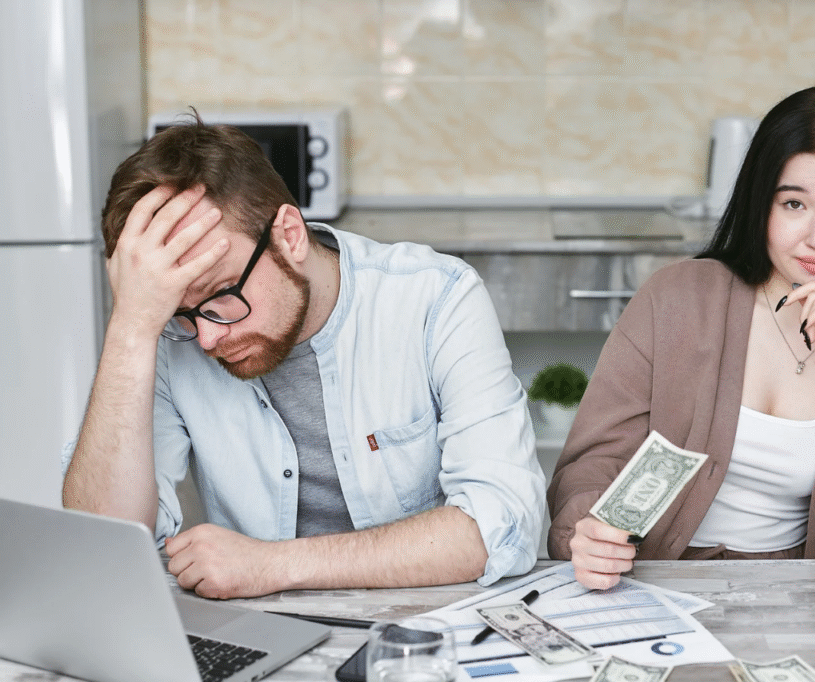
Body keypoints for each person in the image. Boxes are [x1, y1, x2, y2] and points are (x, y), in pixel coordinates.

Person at [62, 116, 546, 598]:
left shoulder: (435, 298)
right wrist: (131, 325)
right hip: (261, 637)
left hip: (423, 633)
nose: (206, 338)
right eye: (183, 312)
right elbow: (102, 548)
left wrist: (272, 565)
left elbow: (501, 522)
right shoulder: (170, 335)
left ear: (289, 236)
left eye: (222, 294)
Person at [547, 84, 815, 589]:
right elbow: (593, 463)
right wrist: (589, 529)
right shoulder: (676, 299)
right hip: (654, 584)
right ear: (761, 207)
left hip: (803, 599)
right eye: (794, 204)